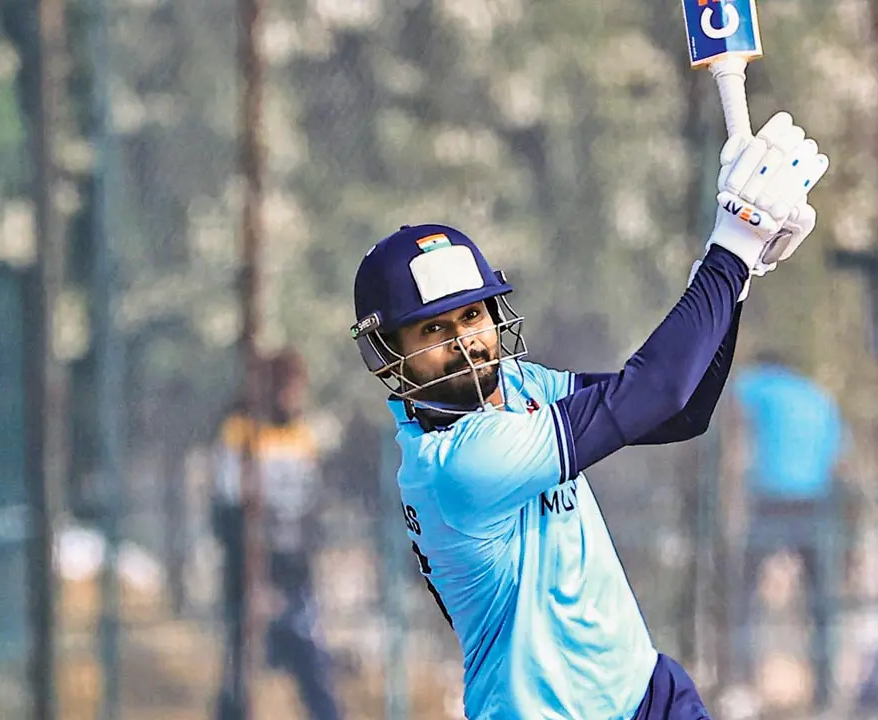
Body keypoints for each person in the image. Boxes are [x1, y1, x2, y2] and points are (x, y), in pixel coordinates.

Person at [348, 112, 830, 718]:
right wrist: (731, 246)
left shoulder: (523, 386)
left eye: (472, 316)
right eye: (433, 330)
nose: (466, 342)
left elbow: (681, 410)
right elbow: (653, 390)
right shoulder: (456, 465)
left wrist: (738, 274)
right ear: (388, 351)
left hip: (646, 693)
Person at [211, 349, 342, 720]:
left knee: (313, 667)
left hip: (295, 575)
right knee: (241, 675)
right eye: (286, 387)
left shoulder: (302, 436)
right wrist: (252, 579)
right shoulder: (239, 433)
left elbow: (312, 511)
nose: (292, 396)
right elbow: (227, 514)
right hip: (249, 575)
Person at [728, 349, 846, 709]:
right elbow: (840, 455)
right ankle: (826, 687)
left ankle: (739, 676)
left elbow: (728, 401)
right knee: (820, 595)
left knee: (745, 589)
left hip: (770, 498)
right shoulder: (819, 397)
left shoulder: (759, 383)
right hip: (814, 499)